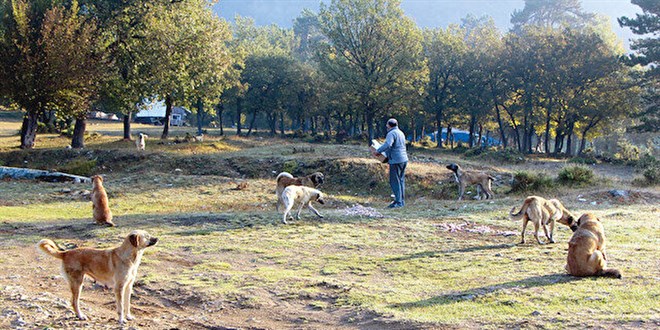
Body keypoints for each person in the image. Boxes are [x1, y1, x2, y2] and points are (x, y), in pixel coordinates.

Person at [372, 118, 408, 208]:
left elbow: (388, 144)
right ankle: (401, 201)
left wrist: (378, 151)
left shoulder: (391, 133)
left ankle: (398, 202)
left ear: (388, 125)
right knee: (401, 180)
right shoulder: (401, 132)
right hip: (403, 159)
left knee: (394, 181)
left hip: (395, 160)